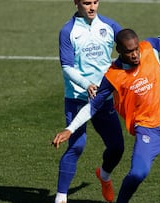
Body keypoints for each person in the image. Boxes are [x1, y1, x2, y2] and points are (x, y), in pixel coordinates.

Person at [53, 8, 160, 203]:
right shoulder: (113, 76)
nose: (135, 55)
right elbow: (93, 106)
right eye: (129, 52)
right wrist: (70, 129)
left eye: (136, 49)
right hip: (149, 130)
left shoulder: (149, 48)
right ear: (120, 52)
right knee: (138, 174)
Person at [54, 0, 124, 202]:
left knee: (117, 148)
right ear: (76, 3)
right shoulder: (68, 31)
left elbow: (131, 45)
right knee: (76, 146)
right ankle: (61, 198)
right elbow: (67, 67)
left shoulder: (109, 26)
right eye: (86, 3)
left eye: (95, 2)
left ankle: (104, 175)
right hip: (77, 96)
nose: (92, 7)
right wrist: (87, 84)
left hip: (104, 98)